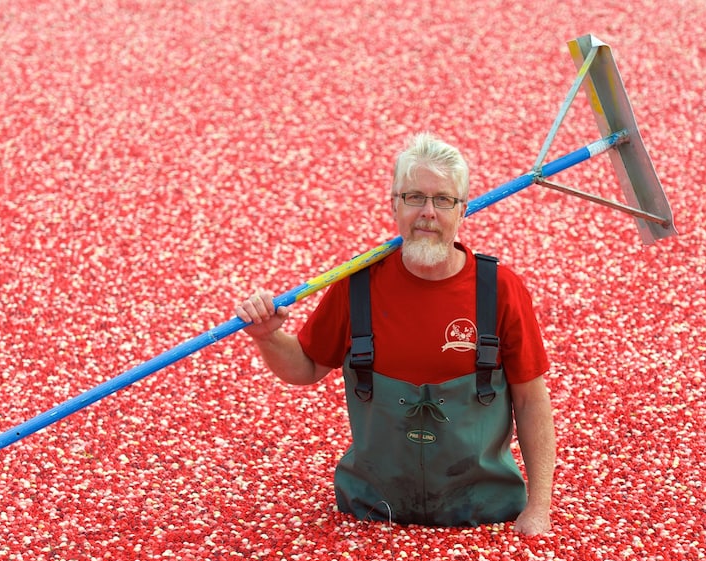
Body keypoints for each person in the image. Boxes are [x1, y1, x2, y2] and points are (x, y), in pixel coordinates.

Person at [235, 133, 555, 535]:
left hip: (483, 514)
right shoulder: (357, 284)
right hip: (369, 511)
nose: (428, 213)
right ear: (394, 205)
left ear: (463, 210)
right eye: (414, 197)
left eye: (443, 199)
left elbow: (531, 402)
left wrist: (538, 508)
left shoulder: (500, 289)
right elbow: (307, 366)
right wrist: (267, 337)